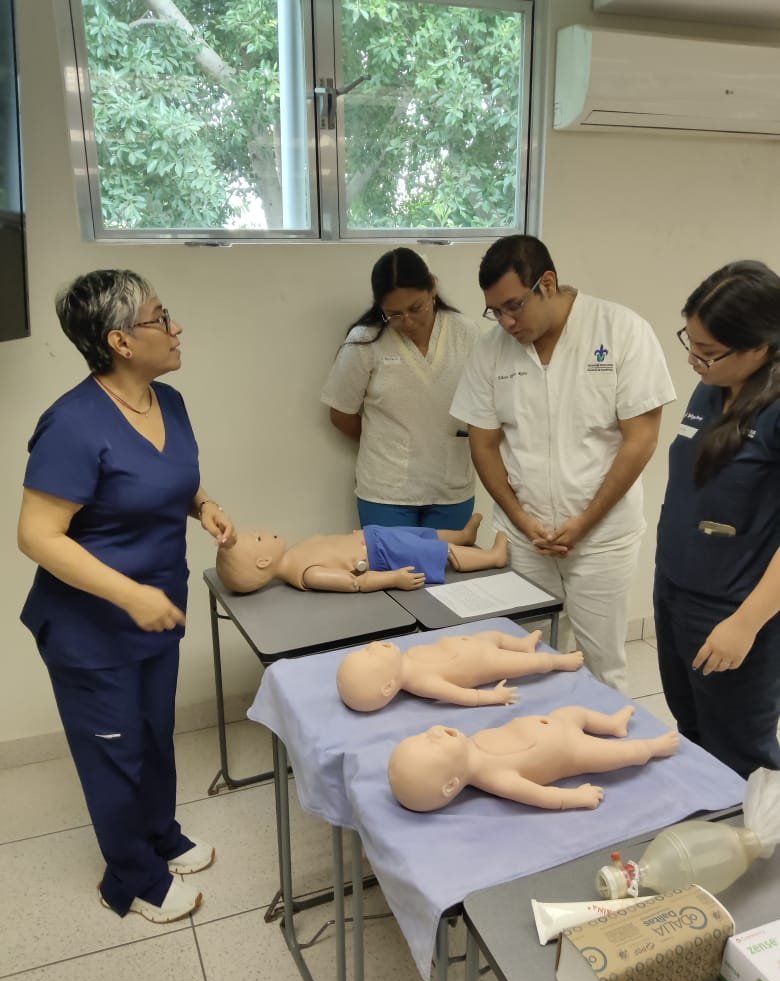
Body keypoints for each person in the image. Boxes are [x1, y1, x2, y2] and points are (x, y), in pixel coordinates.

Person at [17, 269, 237, 924]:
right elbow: (37, 536)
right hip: (91, 628)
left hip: (155, 612)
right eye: (160, 318)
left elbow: (167, 479)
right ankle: (132, 878)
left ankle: (161, 836)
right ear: (120, 341)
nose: (176, 327)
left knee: (152, 735)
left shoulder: (168, 402)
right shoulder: (72, 424)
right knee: (113, 751)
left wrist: (205, 505)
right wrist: (128, 595)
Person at [450, 235, 676, 694]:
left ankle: (603, 734)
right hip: (526, 537)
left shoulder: (620, 330)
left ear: (547, 284)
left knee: (602, 664)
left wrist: (585, 521)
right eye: (495, 311)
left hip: (601, 538)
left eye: (514, 306)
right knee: (523, 657)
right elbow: (484, 445)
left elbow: (641, 440)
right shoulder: (492, 350)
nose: (506, 322)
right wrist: (520, 519)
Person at [654, 260, 780, 779]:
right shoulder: (711, 387)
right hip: (676, 589)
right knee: (692, 732)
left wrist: (745, 624)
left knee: (740, 752)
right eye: (691, 342)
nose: (693, 360)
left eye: (708, 351)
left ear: (760, 346)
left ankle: (757, 833)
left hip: (734, 607)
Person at [321, 247, 479, 530]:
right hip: (386, 493)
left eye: (416, 308)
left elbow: (484, 405)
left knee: (450, 560)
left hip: (451, 487)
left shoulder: (465, 333)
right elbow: (341, 414)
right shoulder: (364, 341)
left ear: (433, 288)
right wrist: (388, 442)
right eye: (393, 314)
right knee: (389, 561)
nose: (407, 321)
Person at [387, 705, 679, 812]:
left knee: (574, 712)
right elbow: (540, 796)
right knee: (623, 753)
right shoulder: (494, 777)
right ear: (451, 785)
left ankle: (612, 724)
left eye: (423, 735)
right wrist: (575, 798)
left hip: (556, 721)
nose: (434, 731)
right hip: (572, 749)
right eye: (433, 744)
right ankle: (654, 748)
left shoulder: (470, 746)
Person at [215, 513, 507, 594]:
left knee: (422, 535)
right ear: (263, 561)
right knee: (436, 552)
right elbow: (355, 582)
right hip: (382, 553)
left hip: (374, 536)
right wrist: (393, 579)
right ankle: (493, 558)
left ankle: (464, 536)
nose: (263, 531)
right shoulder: (308, 574)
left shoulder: (296, 553)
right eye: (258, 538)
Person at [336, 629, 583, 711]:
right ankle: (560, 662)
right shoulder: (420, 681)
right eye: (371, 655)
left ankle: (522, 645)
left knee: (495, 635)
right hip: (487, 661)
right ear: (388, 686)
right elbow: (462, 696)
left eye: (365, 650)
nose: (372, 645)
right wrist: (493, 697)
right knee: (535, 663)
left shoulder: (405, 660)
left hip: (475, 643)